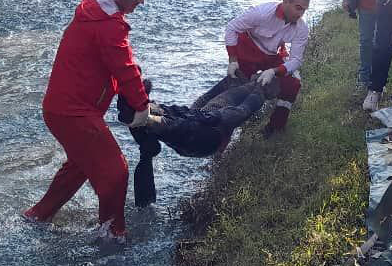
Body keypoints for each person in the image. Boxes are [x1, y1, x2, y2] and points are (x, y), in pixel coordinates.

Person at [23, 0, 154, 243]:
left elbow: (117, 65)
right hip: (73, 113)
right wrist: (142, 106)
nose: (141, 2)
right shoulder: (107, 25)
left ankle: (37, 216)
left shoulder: (95, 13)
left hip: (63, 109)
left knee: (81, 165)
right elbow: (124, 68)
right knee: (115, 171)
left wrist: (134, 89)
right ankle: (112, 235)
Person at [118, 76, 279, 207]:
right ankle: (145, 112)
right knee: (178, 114)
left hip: (206, 139)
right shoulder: (226, 102)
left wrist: (260, 89)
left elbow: (244, 109)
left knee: (186, 126)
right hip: (199, 126)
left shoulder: (226, 115)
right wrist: (253, 84)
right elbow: (207, 99)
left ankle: (147, 118)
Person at [225, 0, 310, 136]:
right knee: (233, 93)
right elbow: (232, 28)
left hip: (272, 55)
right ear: (286, 2)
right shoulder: (260, 13)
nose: (300, 13)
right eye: (298, 7)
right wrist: (233, 60)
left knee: (293, 83)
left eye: (304, 9)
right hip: (247, 50)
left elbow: (296, 59)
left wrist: (274, 71)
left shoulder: (302, 28)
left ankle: (275, 128)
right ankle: (222, 143)